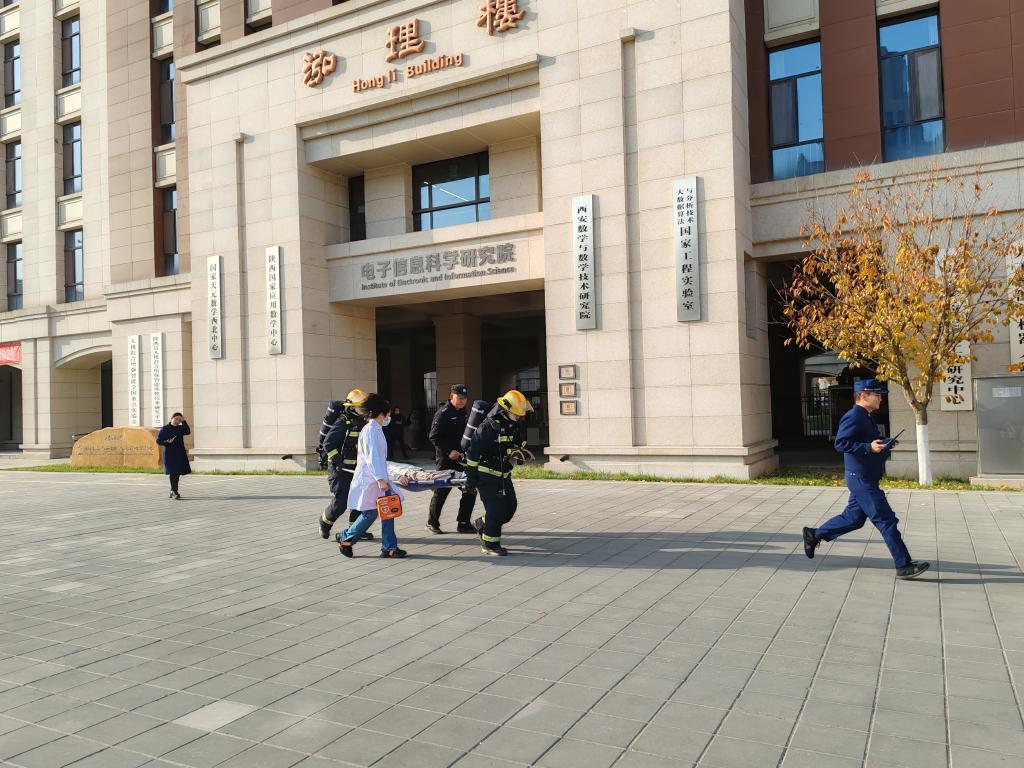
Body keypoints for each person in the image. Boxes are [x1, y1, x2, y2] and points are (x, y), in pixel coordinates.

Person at [802, 379, 930, 579]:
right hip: (861, 478)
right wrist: (868, 447)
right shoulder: (854, 415)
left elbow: (865, 443)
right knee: (886, 520)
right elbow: (841, 443)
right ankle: (903, 565)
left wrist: (883, 444)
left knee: (853, 519)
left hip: (864, 477)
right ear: (863, 396)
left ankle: (815, 534)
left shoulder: (866, 416)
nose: (880, 398)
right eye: (877, 395)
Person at [336, 393, 408, 559]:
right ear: (382, 413)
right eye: (388, 413)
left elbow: (379, 458)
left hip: (376, 478)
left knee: (387, 509)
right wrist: (380, 479)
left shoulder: (376, 429)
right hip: (371, 480)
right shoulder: (370, 430)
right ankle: (346, 538)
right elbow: (372, 457)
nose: (389, 416)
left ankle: (389, 547)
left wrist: (388, 476)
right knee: (371, 513)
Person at [465, 390, 532, 556]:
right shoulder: (489, 426)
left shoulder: (512, 425)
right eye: (516, 414)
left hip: (503, 474)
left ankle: (481, 524)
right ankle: (490, 544)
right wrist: (471, 478)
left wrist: (519, 455)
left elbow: (513, 446)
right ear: (506, 410)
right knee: (496, 510)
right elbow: (472, 453)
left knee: (510, 508)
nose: (519, 417)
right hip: (486, 474)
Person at [318, 389, 374, 541]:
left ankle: (355, 530)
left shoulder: (365, 422)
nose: (364, 409)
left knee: (359, 500)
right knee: (341, 502)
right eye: (361, 406)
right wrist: (338, 461)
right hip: (340, 470)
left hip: (357, 470)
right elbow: (328, 444)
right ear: (352, 407)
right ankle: (324, 523)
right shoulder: (343, 422)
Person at [426, 384, 477, 535]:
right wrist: (449, 451)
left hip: (462, 458)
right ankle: (432, 523)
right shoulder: (443, 413)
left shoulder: (464, 412)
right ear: (451, 397)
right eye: (459, 398)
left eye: (464, 398)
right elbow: (433, 436)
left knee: (469, 488)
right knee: (442, 490)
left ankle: (463, 523)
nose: (462, 401)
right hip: (446, 459)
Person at [156, 413, 191, 500]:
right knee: (173, 472)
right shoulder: (165, 428)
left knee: (177, 472)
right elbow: (158, 440)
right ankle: (174, 491)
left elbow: (187, 431)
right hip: (169, 454)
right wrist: (166, 442)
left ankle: (173, 491)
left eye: (179, 420)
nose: (177, 421)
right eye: (176, 419)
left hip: (179, 453)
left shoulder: (180, 428)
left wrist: (184, 421)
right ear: (172, 418)